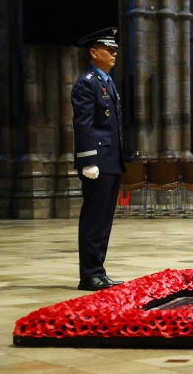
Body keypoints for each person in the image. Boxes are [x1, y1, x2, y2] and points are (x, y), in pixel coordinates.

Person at [71, 27, 125, 291]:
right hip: (97, 162)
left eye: (115, 49)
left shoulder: (106, 81)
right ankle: (89, 274)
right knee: (94, 220)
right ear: (94, 52)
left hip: (111, 161)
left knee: (104, 220)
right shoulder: (87, 82)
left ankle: (98, 271)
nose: (114, 53)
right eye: (109, 49)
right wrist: (88, 161)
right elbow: (83, 125)